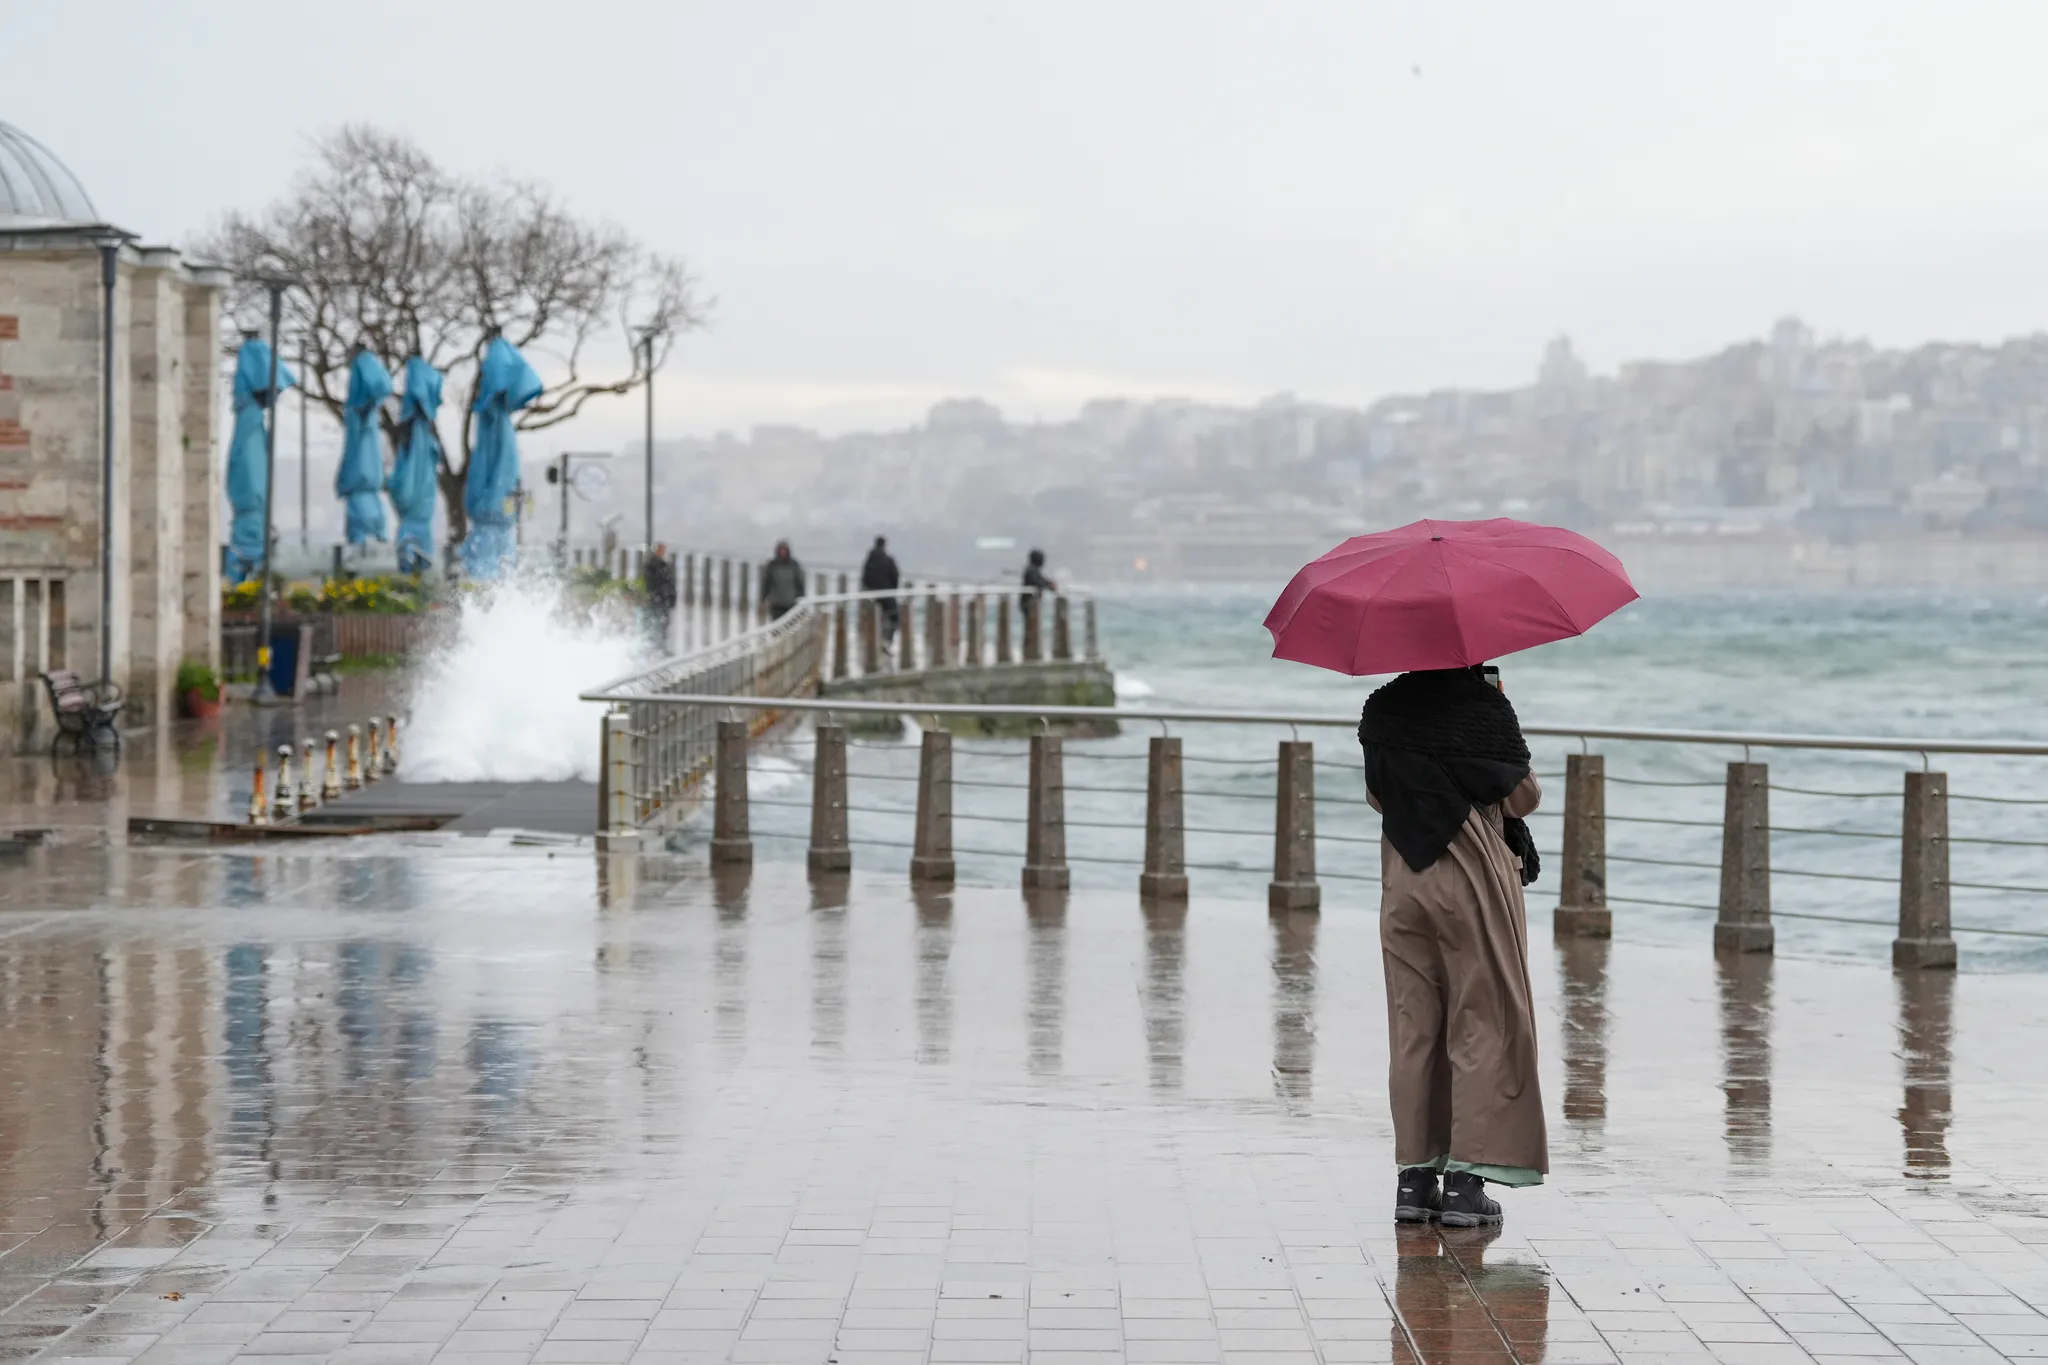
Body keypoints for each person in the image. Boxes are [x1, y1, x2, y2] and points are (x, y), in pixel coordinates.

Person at [1359, 665, 1545, 1228]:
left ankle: (1414, 1182)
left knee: (1413, 1026)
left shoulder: (1383, 707)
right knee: (1484, 1020)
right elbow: (1521, 797)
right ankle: (1466, 1185)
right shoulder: (1481, 707)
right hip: (1471, 881)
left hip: (1403, 883)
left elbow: (1376, 796)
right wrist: (1498, 713)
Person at [860, 535, 900, 646]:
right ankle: (888, 640)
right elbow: (895, 576)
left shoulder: (869, 560)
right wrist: (893, 591)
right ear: (884, 545)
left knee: (870, 615)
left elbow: (864, 578)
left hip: (871, 594)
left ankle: (869, 639)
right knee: (894, 616)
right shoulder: (888, 559)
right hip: (886, 594)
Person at [642, 543, 677, 650]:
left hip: (662, 599)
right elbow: (655, 582)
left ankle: (659, 646)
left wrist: (672, 598)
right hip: (658, 598)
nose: (663, 552)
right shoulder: (653, 565)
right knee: (658, 623)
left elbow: (669, 583)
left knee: (662, 623)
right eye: (661, 550)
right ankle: (656, 646)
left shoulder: (661, 565)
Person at [760, 539, 806, 619]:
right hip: (776, 603)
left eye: (784, 550)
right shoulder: (772, 565)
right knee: (777, 627)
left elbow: (799, 584)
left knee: (790, 628)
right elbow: (766, 583)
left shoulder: (794, 565)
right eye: (781, 550)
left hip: (791, 603)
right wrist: (763, 598)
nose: (782, 552)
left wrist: (801, 599)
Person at [1019, 548, 1055, 643]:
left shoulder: (1032, 569)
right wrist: (1048, 585)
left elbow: (1041, 580)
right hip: (1028, 602)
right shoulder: (1031, 570)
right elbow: (1037, 582)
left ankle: (1030, 645)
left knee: (1030, 625)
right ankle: (1029, 646)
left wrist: (1048, 584)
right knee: (1030, 625)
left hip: (1029, 602)